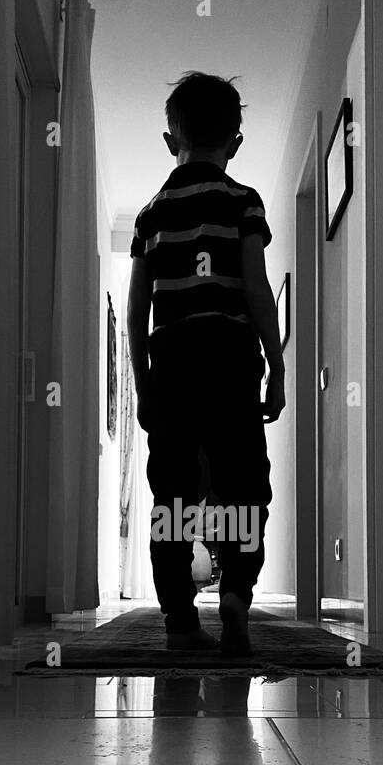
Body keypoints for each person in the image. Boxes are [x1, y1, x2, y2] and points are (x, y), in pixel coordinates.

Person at [127, 71, 286, 655]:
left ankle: (179, 621)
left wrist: (143, 386)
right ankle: (238, 591)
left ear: (171, 141)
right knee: (245, 483)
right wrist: (277, 364)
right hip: (230, 357)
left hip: (171, 358)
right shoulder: (244, 202)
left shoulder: (150, 215)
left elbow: (139, 310)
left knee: (171, 492)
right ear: (236, 143)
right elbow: (255, 287)